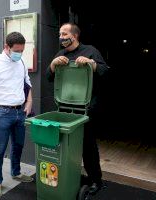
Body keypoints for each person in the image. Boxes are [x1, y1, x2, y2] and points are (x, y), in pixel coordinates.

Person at [46, 22, 110, 195]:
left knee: (88, 147)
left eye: (65, 34)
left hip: (86, 108)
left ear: (74, 36)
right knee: (66, 146)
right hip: (65, 106)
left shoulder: (90, 50)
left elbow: (105, 71)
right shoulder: (61, 54)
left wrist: (91, 63)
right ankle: (70, 175)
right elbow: (48, 77)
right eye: (60, 34)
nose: (61, 37)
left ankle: (96, 180)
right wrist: (53, 64)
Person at [0, 32, 34, 198]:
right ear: (6, 47)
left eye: (22, 50)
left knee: (18, 145)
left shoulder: (21, 62)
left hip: (20, 111)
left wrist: (29, 101)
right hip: (1, 112)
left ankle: (16, 172)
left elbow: (27, 82)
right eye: (16, 50)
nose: (19, 54)